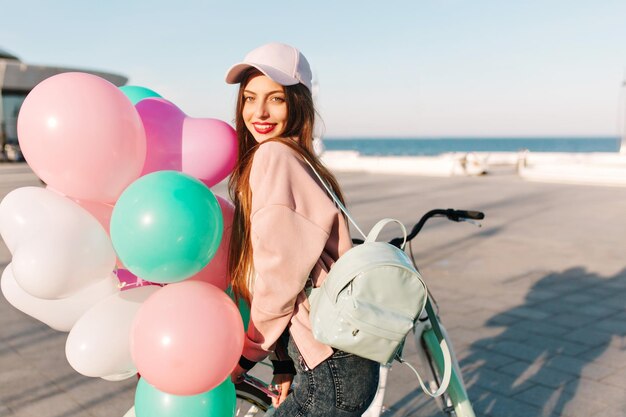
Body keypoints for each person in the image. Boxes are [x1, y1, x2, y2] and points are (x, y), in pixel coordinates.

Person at [226, 42, 379, 416]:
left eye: (275, 99)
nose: (258, 112)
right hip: (340, 362)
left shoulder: (273, 156)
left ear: (298, 102)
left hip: (331, 369)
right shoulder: (300, 157)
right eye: (249, 98)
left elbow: (280, 275)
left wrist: (248, 355)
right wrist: (284, 362)